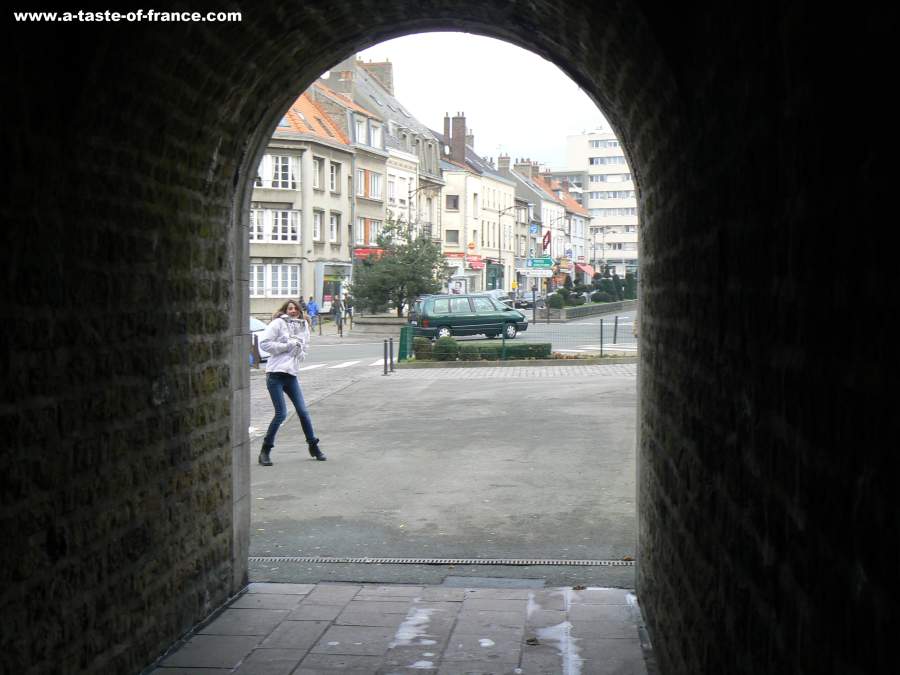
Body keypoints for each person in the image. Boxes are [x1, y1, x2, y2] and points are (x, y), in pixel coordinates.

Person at [258, 299, 326, 465]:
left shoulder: (303, 327)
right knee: (281, 413)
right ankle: (265, 451)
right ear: (285, 310)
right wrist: (287, 346)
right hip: (275, 374)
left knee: (303, 412)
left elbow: (304, 353)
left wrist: (298, 351)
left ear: (299, 310)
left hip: (291, 375)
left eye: (295, 308)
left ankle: (313, 446)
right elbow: (264, 344)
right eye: (290, 308)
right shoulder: (278, 323)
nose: (293, 310)